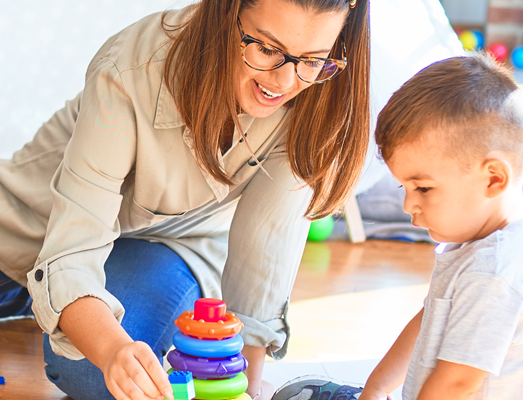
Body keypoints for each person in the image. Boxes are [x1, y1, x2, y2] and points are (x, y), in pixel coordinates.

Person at [0, 0, 370, 399]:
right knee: (89, 333)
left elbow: (266, 252)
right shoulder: (130, 69)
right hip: (34, 226)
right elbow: (70, 250)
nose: (283, 82)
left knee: (93, 373)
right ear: (225, 14)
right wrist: (110, 346)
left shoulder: (320, 93)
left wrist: (242, 387)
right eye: (265, 49)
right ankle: (35, 297)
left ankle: (50, 304)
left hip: (169, 246)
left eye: (314, 59)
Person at [271, 54, 523, 400]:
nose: (408, 205)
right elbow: (431, 317)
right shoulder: (478, 242)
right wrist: (377, 387)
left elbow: (457, 384)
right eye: (406, 188)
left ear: (493, 179)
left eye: (423, 188)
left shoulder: (494, 273)